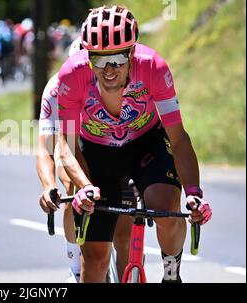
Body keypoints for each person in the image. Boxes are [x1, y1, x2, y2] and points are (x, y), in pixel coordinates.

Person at [56, 5, 212, 283]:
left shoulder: (153, 67)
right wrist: (84, 186)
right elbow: (66, 146)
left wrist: (193, 192)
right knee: (95, 260)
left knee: (165, 205)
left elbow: (178, 138)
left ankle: (171, 272)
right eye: (99, 60)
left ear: (132, 53)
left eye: (117, 58)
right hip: (97, 152)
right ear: (87, 56)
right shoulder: (72, 75)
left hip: (146, 143)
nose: (109, 69)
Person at [37, 38, 133, 283]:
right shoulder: (56, 89)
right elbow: (47, 148)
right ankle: (75, 267)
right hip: (72, 145)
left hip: (110, 146)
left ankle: (128, 267)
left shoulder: (120, 82)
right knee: (71, 185)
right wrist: (49, 186)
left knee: (127, 203)